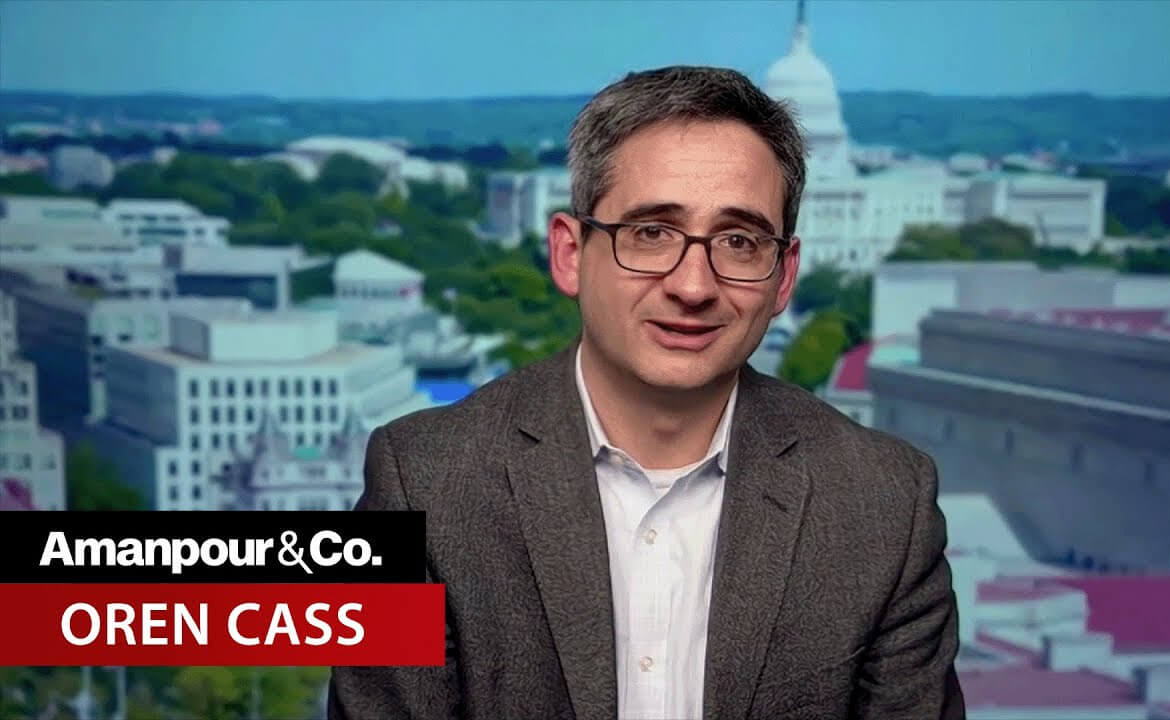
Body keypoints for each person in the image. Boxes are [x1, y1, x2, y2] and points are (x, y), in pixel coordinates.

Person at [329, 65, 964, 720]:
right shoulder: (420, 483)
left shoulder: (887, 506)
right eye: (652, 233)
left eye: (739, 241)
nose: (693, 286)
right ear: (570, 254)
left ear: (782, 277)